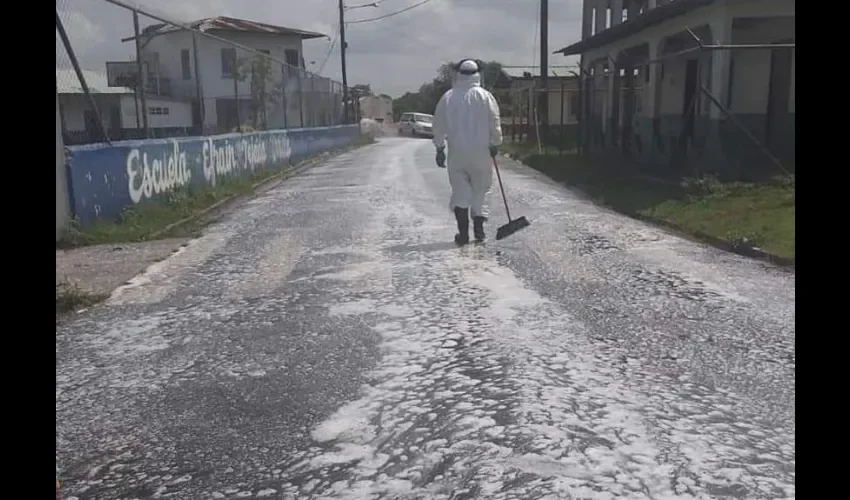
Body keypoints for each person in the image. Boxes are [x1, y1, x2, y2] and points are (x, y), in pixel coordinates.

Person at [432, 59, 503, 245]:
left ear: (459, 74)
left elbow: (438, 124)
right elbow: (494, 121)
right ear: (478, 74)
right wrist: (495, 142)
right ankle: (479, 232)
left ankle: (463, 235)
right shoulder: (486, 96)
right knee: (481, 191)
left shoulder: (448, 97)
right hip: (481, 154)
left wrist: (439, 148)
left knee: (460, 193)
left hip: (457, 155)